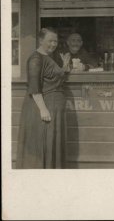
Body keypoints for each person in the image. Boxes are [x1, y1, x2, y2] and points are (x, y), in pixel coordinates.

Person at [16, 28, 71, 169]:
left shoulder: (49, 57)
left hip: (53, 108)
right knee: (43, 144)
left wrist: (64, 65)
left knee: (51, 145)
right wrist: (43, 110)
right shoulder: (36, 59)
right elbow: (34, 88)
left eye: (55, 41)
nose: (53, 44)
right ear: (41, 41)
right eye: (50, 41)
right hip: (44, 107)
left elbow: (54, 78)